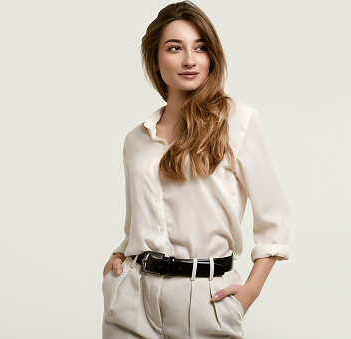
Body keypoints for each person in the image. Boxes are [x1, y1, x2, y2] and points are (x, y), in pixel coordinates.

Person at [102, 1, 291, 338]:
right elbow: (141, 219)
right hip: (132, 297)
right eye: (175, 48)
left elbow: (273, 216)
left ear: (211, 57)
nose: (190, 59)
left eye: (200, 48)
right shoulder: (137, 139)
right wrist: (120, 253)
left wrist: (251, 290)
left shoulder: (238, 122)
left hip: (203, 297)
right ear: (155, 60)